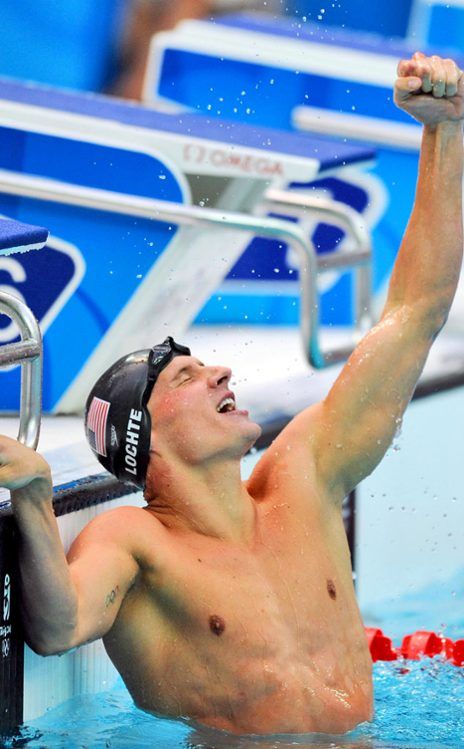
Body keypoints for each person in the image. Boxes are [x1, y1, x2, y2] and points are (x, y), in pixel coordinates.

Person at [3, 52, 463, 736]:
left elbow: (416, 312)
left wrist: (446, 134)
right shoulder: (136, 543)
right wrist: (36, 493)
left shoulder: (303, 476)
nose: (219, 374)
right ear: (144, 438)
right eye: (185, 378)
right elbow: (60, 623)